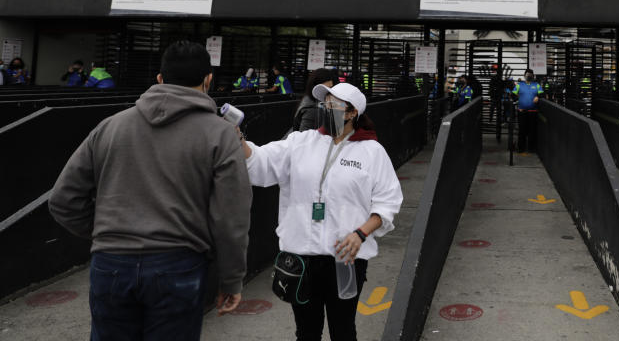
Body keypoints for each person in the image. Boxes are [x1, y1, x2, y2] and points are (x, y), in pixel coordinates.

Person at [48, 40, 252, 340]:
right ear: (208, 80)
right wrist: (231, 279)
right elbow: (231, 216)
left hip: (111, 263)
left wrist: (107, 231)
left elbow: (63, 200)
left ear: (159, 79)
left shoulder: (111, 126)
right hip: (179, 265)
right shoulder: (220, 134)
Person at [240, 82, 402, 341]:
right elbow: (261, 163)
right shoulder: (300, 142)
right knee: (306, 331)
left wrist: (360, 233)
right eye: (324, 102)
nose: (326, 107)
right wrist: (238, 139)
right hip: (301, 257)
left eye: (333, 103)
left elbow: (388, 202)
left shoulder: (372, 152)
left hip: (345, 259)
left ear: (352, 113)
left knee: (343, 330)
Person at [512, 69, 544, 153]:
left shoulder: (536, 85)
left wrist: (538, 96)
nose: (529, 76)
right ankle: (521, 148)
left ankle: (531, 148)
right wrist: (518, 98)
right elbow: (513, 94)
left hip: (533, 112)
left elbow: (542, 94)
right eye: (527, 74)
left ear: (533, 76)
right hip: (522, 112)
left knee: (532, 130)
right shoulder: (519, 85)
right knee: (522, 130)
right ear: (524, 75)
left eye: (530, 74)